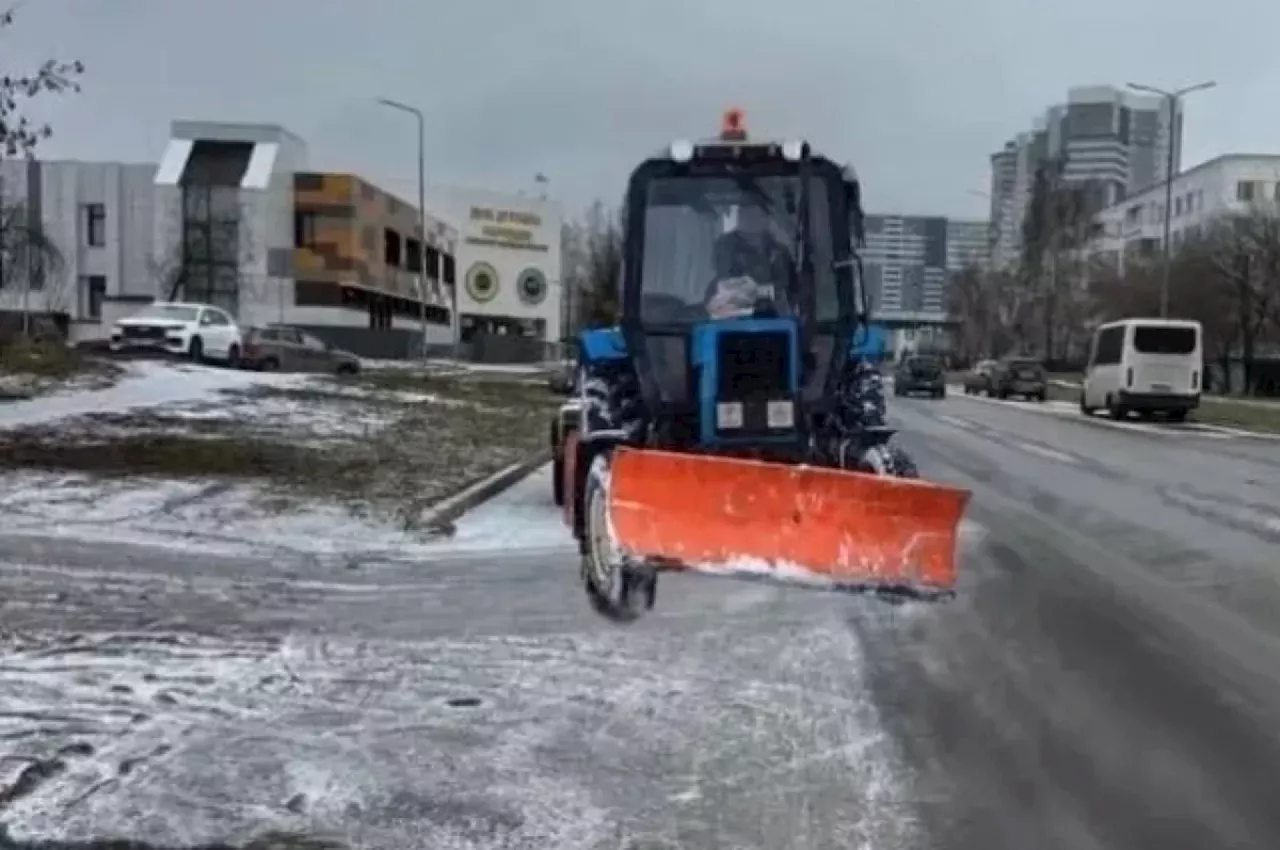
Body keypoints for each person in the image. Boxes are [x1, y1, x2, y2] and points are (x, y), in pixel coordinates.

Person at [704, 203, 794, 318]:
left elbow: (790, 289)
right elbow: (723, 284)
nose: (749, 220)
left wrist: (768, 292)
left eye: (754, 216)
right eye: (744, 215)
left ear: (766, 219)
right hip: (730, 320)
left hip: (774, 319)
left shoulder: (779, 252)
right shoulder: (725, 248)